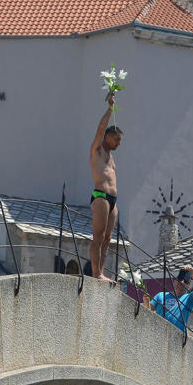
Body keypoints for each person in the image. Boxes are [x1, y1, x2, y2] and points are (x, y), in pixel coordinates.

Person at [88, 91, 123, 282]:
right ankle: (96, 273)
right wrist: (110, 107)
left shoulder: (111, 157)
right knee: (98, 236)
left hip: (113, 200)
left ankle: (101, 271)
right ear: (109, 137)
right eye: (117, 140)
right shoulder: (97, 149)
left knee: (108, 239)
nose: (118, 144)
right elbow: (100, 129)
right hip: (100, 195)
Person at [149, 264, 193, 333]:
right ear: (175, 280)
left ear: (188, 285)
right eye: (180, 278)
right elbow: (148, 310)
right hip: (159, 333)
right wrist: (146, 301)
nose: (182, 282)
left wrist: (192, 272)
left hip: (178, 337)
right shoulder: (161, 295)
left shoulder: (189, 299)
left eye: (186, 281)